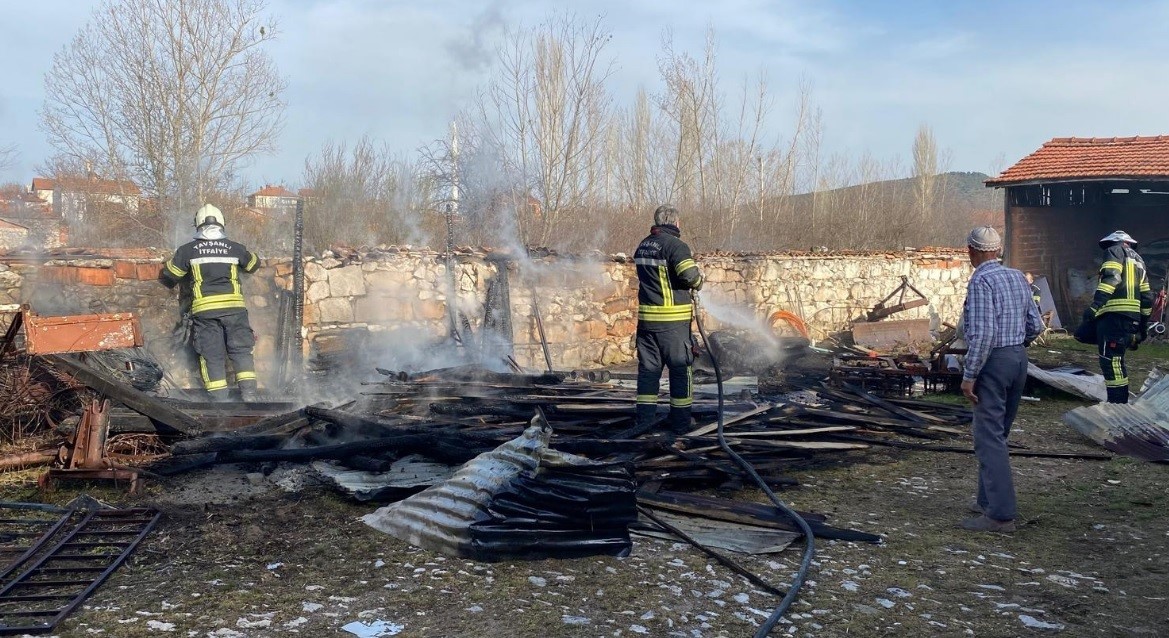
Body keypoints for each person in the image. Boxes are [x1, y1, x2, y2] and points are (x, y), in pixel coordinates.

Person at [959, 226, 1043, 533]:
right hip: (1018, 359)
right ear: (998, 249)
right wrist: (1016, 348)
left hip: (993, 362)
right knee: (999, 433)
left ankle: (1000, 515)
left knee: (988, 438)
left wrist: (969, 375)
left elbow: (983, 334)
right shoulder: (1017, 277)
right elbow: (1035, 324)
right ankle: (989, 502)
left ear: (973, 251)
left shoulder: (981, 280)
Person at [160, 204, 261, 402]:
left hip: (205, 312)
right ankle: (249, 394)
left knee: (211, 354)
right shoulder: (234, 247)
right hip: (235, 310)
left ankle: (220, 400)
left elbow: (171, 274)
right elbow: (253, 264)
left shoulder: (188, 250)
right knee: (241, 350)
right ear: (222, 223)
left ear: (198, 225)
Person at [634, 205, 704, 433]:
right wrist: (699, 282)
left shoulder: (643, 245)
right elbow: (690, 276)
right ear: (675, 222)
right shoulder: (676, 246)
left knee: (648, 372)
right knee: (681, 370)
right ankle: (681, 424)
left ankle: (644, 423)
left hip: (646, 325)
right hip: (673, 325)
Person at [1082, 230, 1153, 404]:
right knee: (1116, 361)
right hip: (1129, 321)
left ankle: (1117, 405)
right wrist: (1142, 329)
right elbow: (1147, 297)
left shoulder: (1114, 250)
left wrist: (1095, 306)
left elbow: (1111, 279)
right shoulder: (1139, 261)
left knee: (1111, 362)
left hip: (1113, 318)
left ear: (1115, 242)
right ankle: (1119, 403)